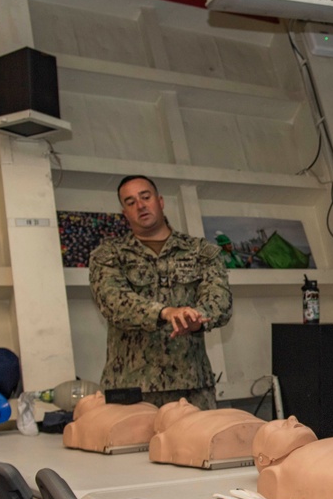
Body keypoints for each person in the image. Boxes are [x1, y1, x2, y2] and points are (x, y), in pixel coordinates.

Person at [89, 175, 233, 410]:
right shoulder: (108, 255)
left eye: (145, 197)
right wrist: (165, 312)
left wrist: (196, 318)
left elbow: (220, 302)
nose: (140, 205)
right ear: (125, 213)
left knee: (198, 446)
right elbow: (112, 301)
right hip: (130, 388)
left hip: (192, 387)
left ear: (160, 201)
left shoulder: (201, 251)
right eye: (130, 202)